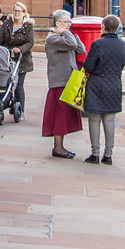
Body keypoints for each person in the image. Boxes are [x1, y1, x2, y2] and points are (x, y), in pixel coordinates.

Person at [82, 14, 125, 165]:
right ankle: (108, 155)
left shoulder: (98, 44)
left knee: (94, 119)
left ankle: (95, 153)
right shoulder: (122, 44)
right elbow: (123, 63)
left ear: (103, 27)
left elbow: (88, 66)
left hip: (96, 83)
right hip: (114, 83)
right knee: (110, 120)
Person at [42, 9, 85, 158]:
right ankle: (58, 148)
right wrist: (66, 33)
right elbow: (71, 44)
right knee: (59, 117)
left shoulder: (65, 37)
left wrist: (72, 33)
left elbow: (80, 49)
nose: (69, 24)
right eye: (67, 22)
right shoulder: (52, 38)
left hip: (68, 80)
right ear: (58, 23)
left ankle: (60, 147)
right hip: (59, 81)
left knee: (65, 117)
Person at [0, 1, 33, 117]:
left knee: (19, 84)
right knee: (8, 83)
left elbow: (30, 42)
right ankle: (9, 103)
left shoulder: (28, 26)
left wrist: (20, 49)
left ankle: (21, 110)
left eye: (19, 11)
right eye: (15, 11)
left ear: (24, 13)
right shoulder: (7, 24)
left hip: (22, 59)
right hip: (7, 58)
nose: (17, 13)